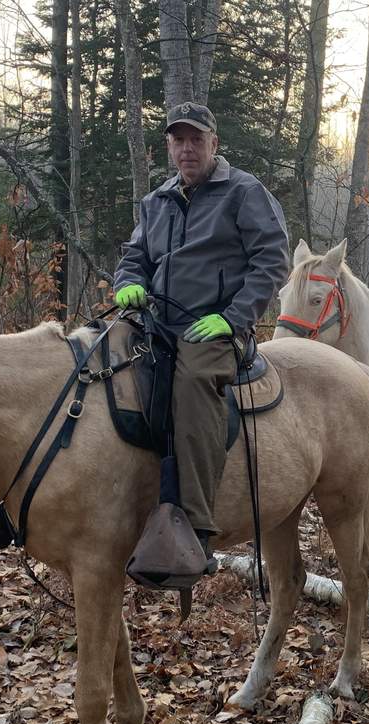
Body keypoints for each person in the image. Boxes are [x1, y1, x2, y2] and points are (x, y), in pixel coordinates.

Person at [113, 102, 290, 582]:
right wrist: (127, 282)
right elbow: (134, 256)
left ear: (214, 143)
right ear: (169, 147)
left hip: (211, 327)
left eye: (196, 139)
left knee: (192, 381)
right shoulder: (156, 202)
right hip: (154, 320)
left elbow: (273, 261)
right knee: (92, 357)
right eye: (178, 140)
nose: (187, 149)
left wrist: (233, 319)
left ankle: (193, 524)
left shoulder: (243, 192)